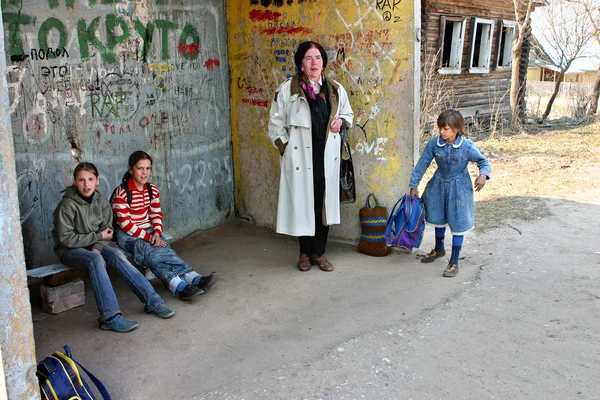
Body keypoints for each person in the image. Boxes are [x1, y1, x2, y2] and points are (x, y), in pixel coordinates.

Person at [52, 162, 176, 333]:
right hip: (69, 250)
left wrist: (97, 245)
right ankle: (109, 317)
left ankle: (153, 301)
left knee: (117, 255)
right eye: (81, 180)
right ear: (75, 181)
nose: (86, 184)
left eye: (90, 179)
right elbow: (65, 239)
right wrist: (97, 241)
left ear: (97, 181)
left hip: (94, 245)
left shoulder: (101, 201)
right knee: (95, 259)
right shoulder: (67, 205)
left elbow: (107, 230)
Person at [267, 40, 354, 272]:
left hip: (327, 158)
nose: (314, 62)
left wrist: (341, 121)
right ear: (301, 64)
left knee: (322, 206)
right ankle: (304, 253)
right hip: (299, 159)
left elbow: (348, 113)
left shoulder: (335, 89)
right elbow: (275, 124)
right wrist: (285, 149)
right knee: (302, 204)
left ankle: (320, 252)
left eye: (317, 57)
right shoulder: (287, 90)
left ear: (323, 62)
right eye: (308, 58)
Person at [111, 151, 217, 300]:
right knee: (154, 253)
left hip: (148, 230)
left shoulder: (151, 190)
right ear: (130, 169)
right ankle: (193, 277)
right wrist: (149, 238)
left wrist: (156, 232)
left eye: (148, 168)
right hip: (128, 236)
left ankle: (181, 287)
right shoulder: (121, 193)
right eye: (140, 168)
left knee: (156, 255)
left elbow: (156, 214)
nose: (144, 173)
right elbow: (126, 224)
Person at [409, 109, 491, 277]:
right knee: (438, 217)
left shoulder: (466, 146)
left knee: (458, 221)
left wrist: (483, 175)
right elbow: (422, 164)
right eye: (440, 127)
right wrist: (414, 184)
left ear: (456, 128)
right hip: (438, 185)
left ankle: (454, 260)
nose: (442, 131)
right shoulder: (434, 144)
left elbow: (483, 161)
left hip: (459, 188)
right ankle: (439, 249)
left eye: (446, 128)